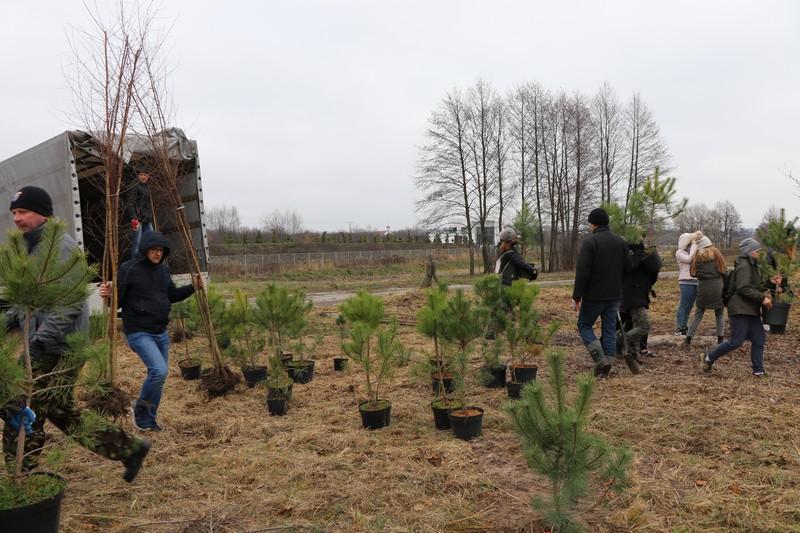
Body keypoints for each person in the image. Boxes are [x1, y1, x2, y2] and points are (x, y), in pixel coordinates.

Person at [2, 186, 150, 482]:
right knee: (61, 410)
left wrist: (40, 342)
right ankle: (129, 449)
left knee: (22, 406)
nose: (17, 218)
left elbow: (68, 304)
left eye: (23, 211)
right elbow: (26, 302)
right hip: (46, 343)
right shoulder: (32, 248)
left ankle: (21, 481)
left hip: (59, 346)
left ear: (43, 214)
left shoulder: (60, 248)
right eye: (14, 212)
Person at [101, 231, 202, 431]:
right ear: (145, 249)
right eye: (154, 250)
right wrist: (108, 296)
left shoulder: (163, 271)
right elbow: (117, 302)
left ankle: (148, 420)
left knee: (159, 378)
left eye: (161, 250)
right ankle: (140, 409)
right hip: (138, 331)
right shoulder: (129, 269)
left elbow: (172, 295)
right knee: (159, 371)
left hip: (160, 331)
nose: (158, 253)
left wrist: (193, 287)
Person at [701, 238, 781, 377]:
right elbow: (743, 288)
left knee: (759, 339)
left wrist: (770, 282)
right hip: (740, 308)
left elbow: (754, 287)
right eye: (757, 251)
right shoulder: (744, 265)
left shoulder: (752, 264)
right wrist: (762, 298)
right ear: (749, 251)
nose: (759, 253)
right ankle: (708, 358)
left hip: (750, 309)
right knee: (736, 341)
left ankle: (758, 370)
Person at [573, 208, 631, 378]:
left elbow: (582, 272)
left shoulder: (590, 242)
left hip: (593, 296)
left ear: (593, 224)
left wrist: (577, 296)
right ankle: (608, 363)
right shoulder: (620, 242)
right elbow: (628, 267)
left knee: (584, 325)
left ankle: (600, 359)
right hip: (614, 295)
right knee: (609, 330)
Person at [620, 235, 662, 372]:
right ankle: (621, 340)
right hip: (635, 296)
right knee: (644, 325)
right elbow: (652, 277)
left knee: (635, 324)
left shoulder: (626, 256)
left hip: (632, 295)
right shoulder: (639, 256)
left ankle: (633, 353)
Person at [684, 236, 726, 346]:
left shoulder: (696, 256)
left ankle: (688, 339)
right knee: (719, 314)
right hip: (717, 287)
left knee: (698, 314)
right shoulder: (717, 253)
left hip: (703, 288)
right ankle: (721, 340)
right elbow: (723, 270)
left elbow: (692, 274)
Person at [675, 231, 702, 335]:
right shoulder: (679, 252)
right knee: (683, 305)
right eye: (690, 241)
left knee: (690, 306)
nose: (691, 242)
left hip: (695, 281)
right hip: (685, 281)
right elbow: (690, 259)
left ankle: (684, 326)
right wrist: (694, 246)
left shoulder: (692, 251)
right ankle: (679, 327)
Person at [127, 169, 154, 260]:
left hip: (147, 219)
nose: (143, 177)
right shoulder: (135, 186)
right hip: (138, 219)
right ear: (138, 176)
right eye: (141, 175)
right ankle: (135, 264)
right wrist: (133, 218)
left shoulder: (147, 187)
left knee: (151, 241)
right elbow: (130, 203)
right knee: (137, 243)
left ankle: (148, 263)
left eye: (145, 175)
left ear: (148, 177)